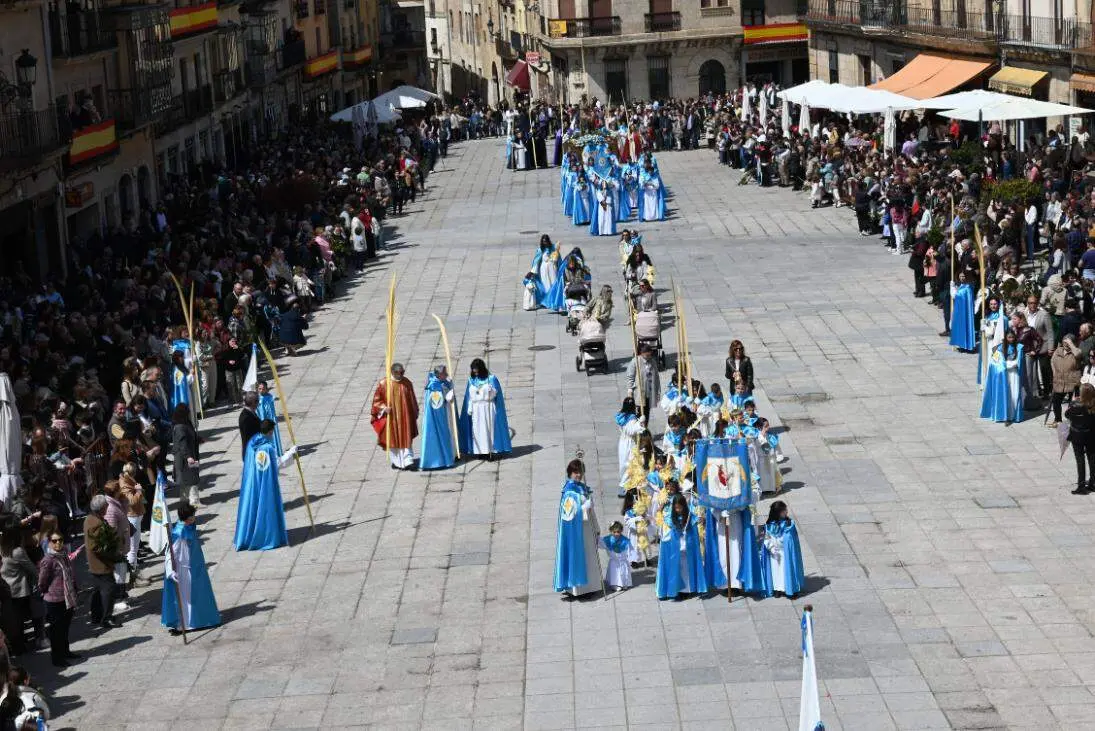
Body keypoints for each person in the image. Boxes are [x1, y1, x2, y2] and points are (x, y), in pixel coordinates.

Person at [234, 419, 297, 551]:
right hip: (264, 485)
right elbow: (275, 464)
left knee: (253, 509)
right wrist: (290, 454)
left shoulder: (253, 441)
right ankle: (265, 537)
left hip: (252, 482)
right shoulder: (266, 448)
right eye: (272, 432)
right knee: (265, 509)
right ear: (269, 432)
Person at [162, 501, 220, 632]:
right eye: (192, 516)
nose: (194, 518)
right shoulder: (178, 532)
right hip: (184, 569)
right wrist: (171, 571)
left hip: (195, 566)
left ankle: (201, 620)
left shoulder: (189, 525)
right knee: (187, 598)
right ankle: (184, 624)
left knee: (198, 594)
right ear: (186, 518)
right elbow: (170, 553)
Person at [553, 459, 601, 599]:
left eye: (580, 472)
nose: (578, 475)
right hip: (577, 532)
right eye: (575, 472)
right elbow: (569, 515)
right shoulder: (569, 492)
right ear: (570, 473)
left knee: (589, 557)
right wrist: (584, 508)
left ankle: (590, 586)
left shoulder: (582, 487)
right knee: (579, 557)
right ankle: (579, 589)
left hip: (586, 529)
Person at [37, 531, 79, 667]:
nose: (58, 543)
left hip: (67, 597)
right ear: (49, 542)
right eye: (54, 541)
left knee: (65, 627)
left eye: (60, 540)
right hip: (54, 599)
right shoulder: (48, 560)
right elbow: (42, 581)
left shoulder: (64, 554)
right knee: (56, 630)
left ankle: (65, 651)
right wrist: (46, 592)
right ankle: (57, 657)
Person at [655, 494, 706, 600]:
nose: (678, 509)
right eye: (676, 507)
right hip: (675, 548)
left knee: (686, 569)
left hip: (687, 548)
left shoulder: (690, 517)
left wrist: (700, 520)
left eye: (680, 507)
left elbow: (694, 530)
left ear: (684, 506)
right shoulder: (669, 518)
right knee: (676, 569)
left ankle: (687, 590)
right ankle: (676, 589)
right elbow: (666, 532)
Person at [458, 359, 512, 459]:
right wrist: (469, 408)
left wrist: (491, 391)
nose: (476, 373)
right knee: (477, 430)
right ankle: (480, 451)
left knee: (488, 429)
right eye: (474, 371)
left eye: (477, 371)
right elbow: (468, 396)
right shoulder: (472, 380)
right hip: (476, 409)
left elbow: (496, 394)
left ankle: (489, 451)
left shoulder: (491, 379)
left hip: (488, 407)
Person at [371, 363, 419, 470]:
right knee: (393, 439)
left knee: (406, 437)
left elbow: (412, 399)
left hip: (404, 417)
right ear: (393, 372)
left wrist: (414, 412)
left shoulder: (407, 383)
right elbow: (376, 401)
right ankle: (396, 461)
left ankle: (408, 461)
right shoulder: (384, 384)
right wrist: (383, 407)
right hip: (391, 418)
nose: (401, 374)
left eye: (403, 372)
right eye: (399, 373)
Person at [0, 532, 42, 655]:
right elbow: (32, 569)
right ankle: (21, 646)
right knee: (20, 619)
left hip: (7, 589)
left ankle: (18, 644)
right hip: (19, 590)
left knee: (13, 620)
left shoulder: (2, 549)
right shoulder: (17, 551)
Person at [84, 494, 121, 628]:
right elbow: (97, 547)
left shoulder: (91, 518)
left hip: (96, 563)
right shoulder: (96, 523)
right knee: (108, 590)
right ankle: (106, 618)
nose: (107, 508)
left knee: (97, 590)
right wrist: (112, 554)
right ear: (101, 509)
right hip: (101, 563)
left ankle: (96, 616)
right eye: (106, 506)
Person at [760, 500, 805, 598]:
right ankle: (777, 589)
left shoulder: (789, 524)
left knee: (786, 571)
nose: (787, 512)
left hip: (785, 553)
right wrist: (772, 549)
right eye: (784, 510)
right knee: (775, 573)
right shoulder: (769, 525)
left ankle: (789, 589)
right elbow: (766, 538)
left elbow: (790, 540)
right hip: (774, 554)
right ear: (778, 513)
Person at [980, 330, 1025, 424]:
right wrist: (1007, 365)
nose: (1011, 339)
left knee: (1014, 394)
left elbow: (1020, 361)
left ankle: (1013, 415)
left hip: (1014, 375)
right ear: (1005, 338)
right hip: (1004, 376)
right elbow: (995, 362)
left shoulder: (1019, 347)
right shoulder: (998, 348)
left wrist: (1014, 364)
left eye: (1012, 337)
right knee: (1006, 395)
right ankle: (1006, 414)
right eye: (1009, 337)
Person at [420, 365, 458, 471]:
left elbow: (448, 386)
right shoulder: (434, 386)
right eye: (444, 373)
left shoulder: (442, 381)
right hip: (439, 416)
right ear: (439, 375)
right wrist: (448, 397)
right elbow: (437, 404)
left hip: (446, 413)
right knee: (443, 434)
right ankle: (442, 460)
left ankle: (453, 454)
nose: (446, 375)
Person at [1067, 384, 1095, 494]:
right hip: (1091, 434)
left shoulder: (1075, 405)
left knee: (1080, 459)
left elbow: (1067, 415)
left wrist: (1073, 402)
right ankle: (1092, 483)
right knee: (1092, 458)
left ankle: (1081, 485)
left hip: (1077, 435)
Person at [171, 404, 201, 507]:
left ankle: (187, 501)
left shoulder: (185, 423)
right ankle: (193, 502)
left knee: (189, 479)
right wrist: (188, 456)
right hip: (184, 458)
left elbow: (190, 435)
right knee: (189, 479)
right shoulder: (180, 427)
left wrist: (198, 439)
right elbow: (182, 443)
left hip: (188, 455)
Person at [1050, 335, 1082, 427]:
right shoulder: (1058, 350)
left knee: (1073, 403)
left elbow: (1078, 355)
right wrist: (1054, 372)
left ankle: (1073, 421)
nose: (1066, 344)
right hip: (1059, 380)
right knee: (1056, 401)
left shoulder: (1076, 351)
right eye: (1064, 342)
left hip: (1072, 380)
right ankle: (1058, 420)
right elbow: (1052, 361)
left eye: (1067, 342)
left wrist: (1071, 345)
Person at [615, 398, 644, 498]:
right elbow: (632, 431)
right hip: (630, 443)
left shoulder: (621, 416)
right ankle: (624, 485)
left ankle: (631, 483)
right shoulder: (631, 419)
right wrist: (640, 423)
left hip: (622, 442)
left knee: (624, 463)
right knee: (630, 463)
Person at [626, 344, 661, 420]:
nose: (649, 357)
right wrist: (630, 390)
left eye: (650, 355)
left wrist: (658, 391)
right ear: (641, 353)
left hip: (650, 392)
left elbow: (656, 377)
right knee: (639, 414)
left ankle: (645, 429)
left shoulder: (653, 361)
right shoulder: (635, 361)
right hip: (639, 392)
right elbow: (630, 377)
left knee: (646, 414)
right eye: (647, 355)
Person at [599, 521, 632, 592]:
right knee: (615, 574)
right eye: (614, 532)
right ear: (611, 531)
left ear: (621, 531)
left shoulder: (625, 541)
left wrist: (630, 558)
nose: (616, 534)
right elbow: (600, 543)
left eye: (618, 532)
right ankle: (615, 584)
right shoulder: (608, 539)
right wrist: (597, 537)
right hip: (614, 561)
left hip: (622, 561)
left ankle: (624, 583)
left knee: (623, 573)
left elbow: (630, 550)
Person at [949, 274, 976, 352]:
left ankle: (966, 345)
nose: (962, 278)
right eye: (960, 276)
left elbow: (957, 296)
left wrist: (952, 289)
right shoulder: (962, 286)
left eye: (963, 276)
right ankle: (961, 344)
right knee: (960, 326)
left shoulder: (967, 287)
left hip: (965, 311)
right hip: (960, 310)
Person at [255, 381, 283, 457]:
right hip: (262, 420)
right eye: (259, 389)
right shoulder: (257, 399)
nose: (261, 390)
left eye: (263, 389)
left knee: (274, 436)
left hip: (271, 419)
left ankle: (277, 453)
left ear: (266, 389)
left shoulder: (270, 396)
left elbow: (273, 400)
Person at [238, 391, 261, 459]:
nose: (258, 403)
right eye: (257, 401)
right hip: (251, 454)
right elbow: (250, 438)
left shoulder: (251, 413)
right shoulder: (246, 418)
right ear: (253, 402)